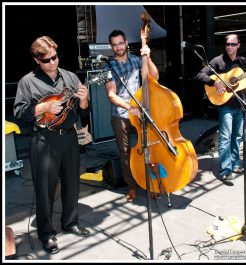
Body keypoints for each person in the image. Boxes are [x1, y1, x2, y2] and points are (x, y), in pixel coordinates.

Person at [14, 36, 90, 254]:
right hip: (44, 139)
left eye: (55, 57)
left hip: (69, 136)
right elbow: (19, 112)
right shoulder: (27, 82)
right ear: (37, 59)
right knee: (45, 189)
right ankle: (46, 234)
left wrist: (84, 99)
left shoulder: (70, 77)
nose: (53, 62)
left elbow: (84, 110)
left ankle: (70, 222)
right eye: (47, 60)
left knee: (71, 182)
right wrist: (43, 108)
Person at [197, 33, 246, 183]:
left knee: (237, 137)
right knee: (225, 137)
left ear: (238, 45)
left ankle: (234, 164)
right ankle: (226, 170)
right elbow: (201, 74)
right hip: (225, 105)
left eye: (233, 44)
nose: (229, 47)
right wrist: (215, 83)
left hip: (240, 104)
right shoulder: (218, 61)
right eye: (227, 44)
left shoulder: (243, 62)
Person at [103, 30, 159, 202]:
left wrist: (147, 58)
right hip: (121, 114)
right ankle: (132, 185)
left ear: (126, 43)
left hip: (142, 113)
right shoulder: (108, 66)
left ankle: (151, 183)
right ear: (111, 46)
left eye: (121, 43)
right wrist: (129, 107)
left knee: (148, 148)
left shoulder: (137, 60)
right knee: (125, 152)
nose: (118, 47)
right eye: (115, 44)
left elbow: (155, 77)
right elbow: (111, 95)